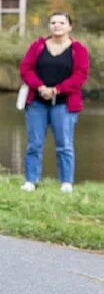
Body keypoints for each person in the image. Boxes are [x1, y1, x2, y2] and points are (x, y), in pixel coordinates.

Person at [19, 12, 89, 193]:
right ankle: (31, 181)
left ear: (69, 26)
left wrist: (56, 89)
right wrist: (40, 87)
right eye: (53, 22)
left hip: (65, 104)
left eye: (61, 22)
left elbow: (80, 76)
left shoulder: (78, 49)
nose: (57, 25)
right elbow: (25, 69)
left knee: (64, 145)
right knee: (34, 144)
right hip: (37, 103)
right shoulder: (38, 46)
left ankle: (66, 182)